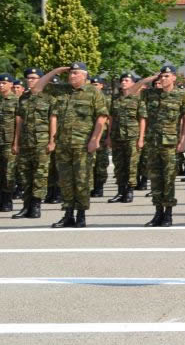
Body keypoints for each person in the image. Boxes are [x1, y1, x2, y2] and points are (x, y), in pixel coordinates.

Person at [48, 63, 109, 228]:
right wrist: (56, 70)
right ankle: (68, 215)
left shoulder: (94, 93)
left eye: (75, 73)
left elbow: (101, 117)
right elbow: (39, 87)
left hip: (83, 144)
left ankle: (81, 215)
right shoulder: (62, 91)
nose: (71, 76)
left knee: (82, 180)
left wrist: (95, 140)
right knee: (65, 181)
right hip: (63, 144)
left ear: (84, 75)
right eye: (70, 73)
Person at [131, 66, 185, 227]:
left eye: (166, 76)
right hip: (153, 143)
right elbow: (131, 92)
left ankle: (168, 214)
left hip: (170, 144)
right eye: (161, 76)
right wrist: (149, 79)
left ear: (174, 78)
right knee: (156, 179)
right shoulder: (150, 94)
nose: (162, 79)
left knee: (169, 179)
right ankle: (158, 213)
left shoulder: (181, 95)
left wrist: (183, 140)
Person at [11, 68, 56, 219]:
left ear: (41, 79)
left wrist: (52, 141)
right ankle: (26, 206)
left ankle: (36, 206)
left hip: (41, 142)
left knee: (40, 174)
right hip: (25, 142)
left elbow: (53, 120)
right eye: (28, 78)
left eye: (33, 77)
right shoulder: (23, 98)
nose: (30, 80)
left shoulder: (49, 98)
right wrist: (16, 142)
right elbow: (19, 121)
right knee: (25, 175)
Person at [107, 73, 143, 205]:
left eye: (127, 80)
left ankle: (129, 191)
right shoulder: (115, 98)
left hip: (132, 136)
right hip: (117, 136)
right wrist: (109, 136)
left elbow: (142, 119)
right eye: (122, 80)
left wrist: (141, 138)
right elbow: (111, 118)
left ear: (133, 83)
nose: (123, 82)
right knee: (119, 165)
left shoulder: (137, 98)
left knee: (131, 165)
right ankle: (120, 191)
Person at [0, 73, 20, 212]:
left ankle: (7, 200)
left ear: (11, 84)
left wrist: (16, 143)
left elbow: (19, 123)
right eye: (0, 83)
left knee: (8, 172)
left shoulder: (17, 101)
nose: (1, 85)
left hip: (9, 141)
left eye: (4, 83)